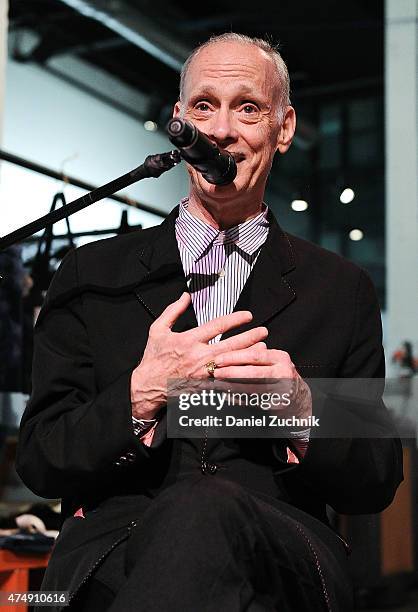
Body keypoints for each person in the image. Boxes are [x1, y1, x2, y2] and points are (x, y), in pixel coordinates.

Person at [16, 33, 403, 611]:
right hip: (110, 554)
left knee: (203, 506)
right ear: (179, 123)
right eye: (203, 106)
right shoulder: (93, 273)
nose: (221, 130)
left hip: (284, 553)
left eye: (247, 108)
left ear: (284, 127)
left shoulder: (341, 289)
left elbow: (376, 479)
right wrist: (139, 393)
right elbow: (42, 461)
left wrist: (302, 410)